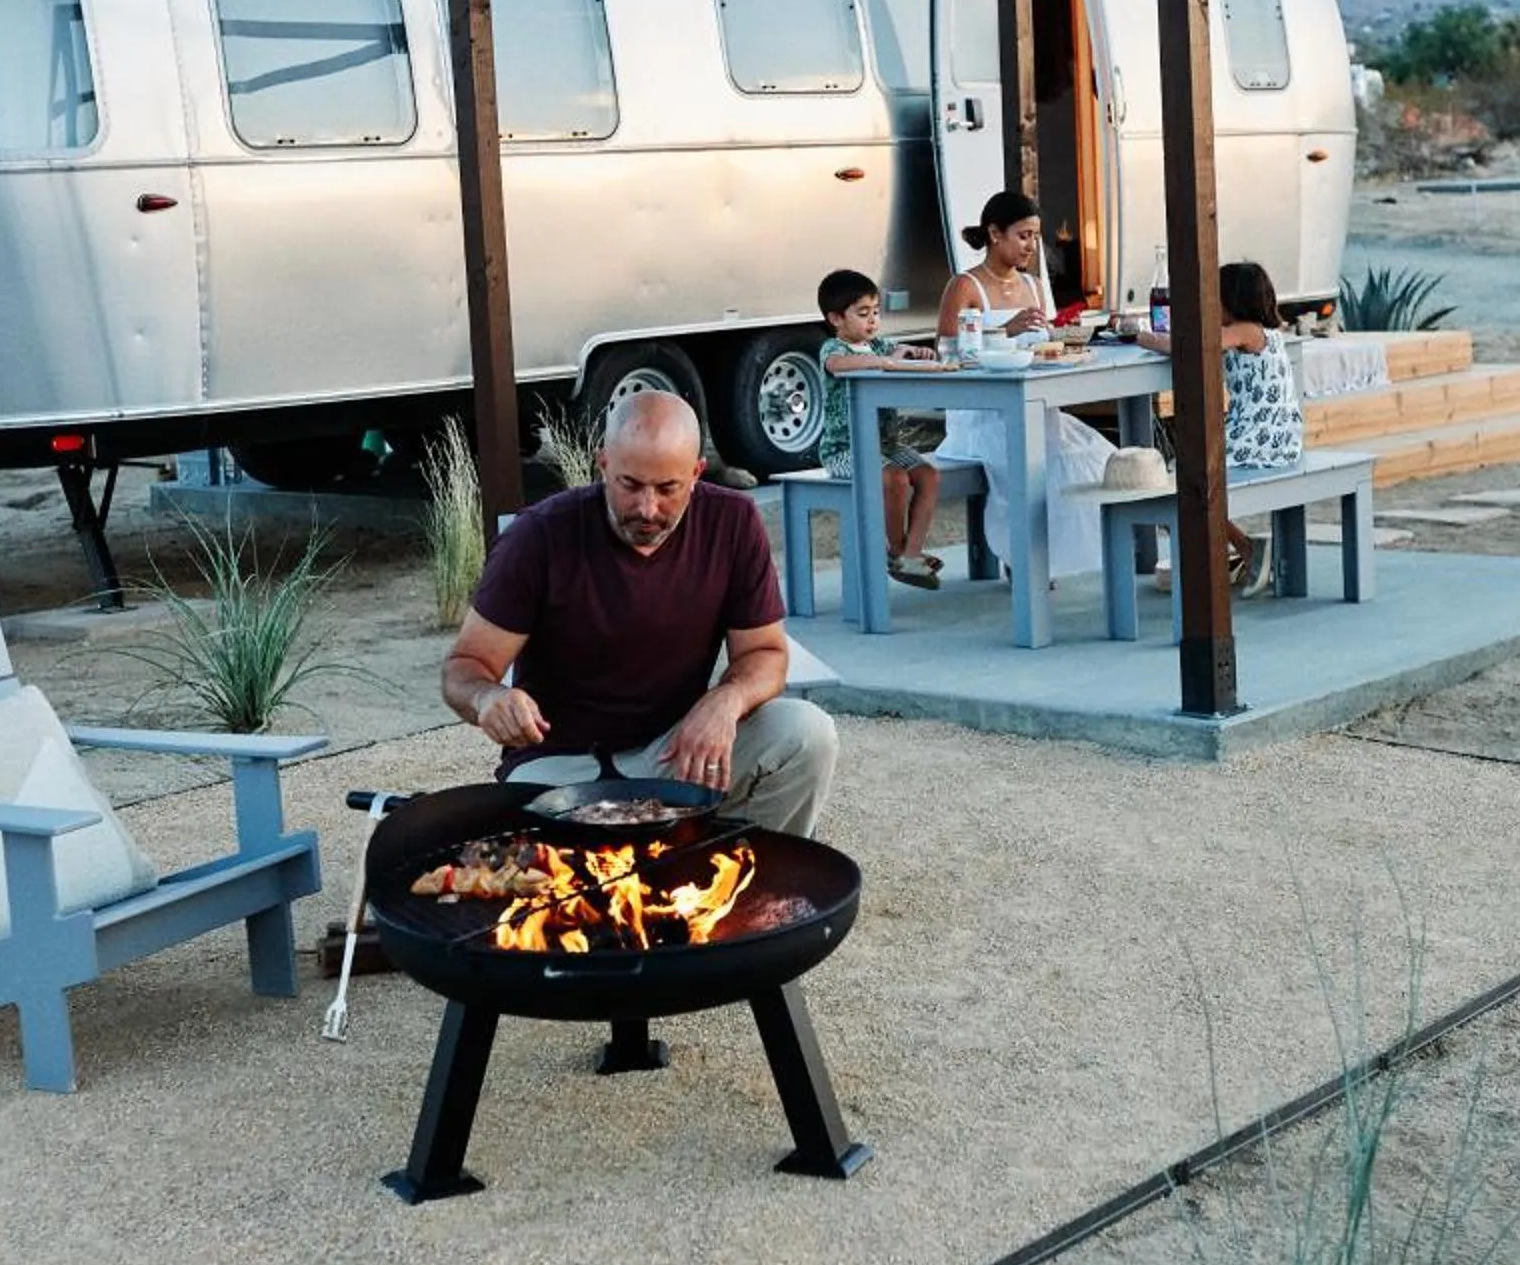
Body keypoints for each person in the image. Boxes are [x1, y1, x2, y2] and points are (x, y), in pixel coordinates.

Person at [440, 392, 836, 833]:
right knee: (565, 883)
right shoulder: (539, 537)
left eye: (668, 489)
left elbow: (765, 653)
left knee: (805, 733)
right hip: (560, 765)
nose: (648, 509)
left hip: (674, 748)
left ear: (696, 473)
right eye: (630, 484)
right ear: (603, 463)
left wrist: (727, 701)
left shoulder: (733, 521)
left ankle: (753, 881)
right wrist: (487, 698)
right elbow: (465, 667)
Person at [933, 189, 1112, 580]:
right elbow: (948, 352)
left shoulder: (1032, 284)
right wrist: (1003, 328)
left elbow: (1040, 338)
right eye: (1023, 235)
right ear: (995, 234)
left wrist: (1062, 338)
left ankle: (1061, 554)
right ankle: (1024, 556)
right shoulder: (966, 286)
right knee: (1031, 461)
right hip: (981, 412)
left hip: (1034, 403)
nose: (1032, 245)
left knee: (1095, 456)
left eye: (1035, 236)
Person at [1130, 258, 1303, 590]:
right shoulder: (1267, 334)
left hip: (1260, 433)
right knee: (1184, 475)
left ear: (1232, 302)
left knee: (1185, 479)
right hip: (1276, 431)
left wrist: (1146, 339)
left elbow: (1193, 347)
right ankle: (1242, 548)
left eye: (1214, 299)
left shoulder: (1245, 331)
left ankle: (1244, 549)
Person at [816, 267, 943, 590]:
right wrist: (885, 362)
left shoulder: (879, 345)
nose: (872, 321)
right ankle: (899, 550)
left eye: (875, 312)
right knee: (894, 479)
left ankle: (911, 553)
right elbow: (837, 366)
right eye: (862, 313)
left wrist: (914, 353)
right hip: (846, 449)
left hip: (886, 444)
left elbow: (901, 354)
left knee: (928, 475)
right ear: (836, 319)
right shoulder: (835, 348)